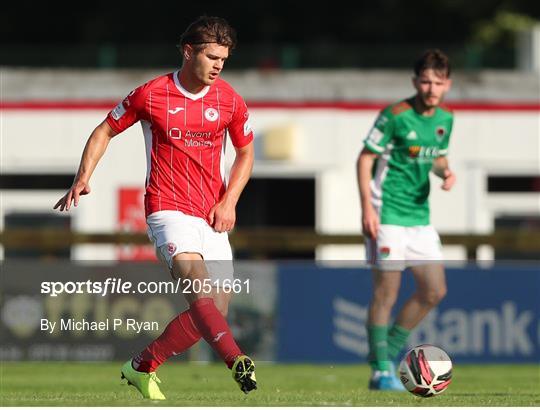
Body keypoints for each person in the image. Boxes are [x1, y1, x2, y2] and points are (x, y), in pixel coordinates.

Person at [54, 16, 257, 399]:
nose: (218, 66)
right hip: (167, 209)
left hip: (213, 213)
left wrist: (229, 201)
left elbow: (246, 153)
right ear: (187, 51)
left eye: (224, 60)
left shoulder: (229, 99)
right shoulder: (152, 93)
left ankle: (142, 366)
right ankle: (237, 362)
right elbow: (105, 130)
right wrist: (82, 176)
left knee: (215, 312)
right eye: (212, 57)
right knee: (200, 293)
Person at [356, 49, 456, 391]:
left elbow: (438, 156)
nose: (431, 88)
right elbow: (366, 158)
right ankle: (380, 370)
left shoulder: (446, 119)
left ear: (447, 85)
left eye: (438, 82)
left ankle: (389, 354)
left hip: (419, 218)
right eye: (425, 81)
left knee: (434, 290)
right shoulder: (395, 115)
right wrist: (367, 208)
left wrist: (446, 173)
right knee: (387, 292)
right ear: (415, 82)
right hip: (387, 215)